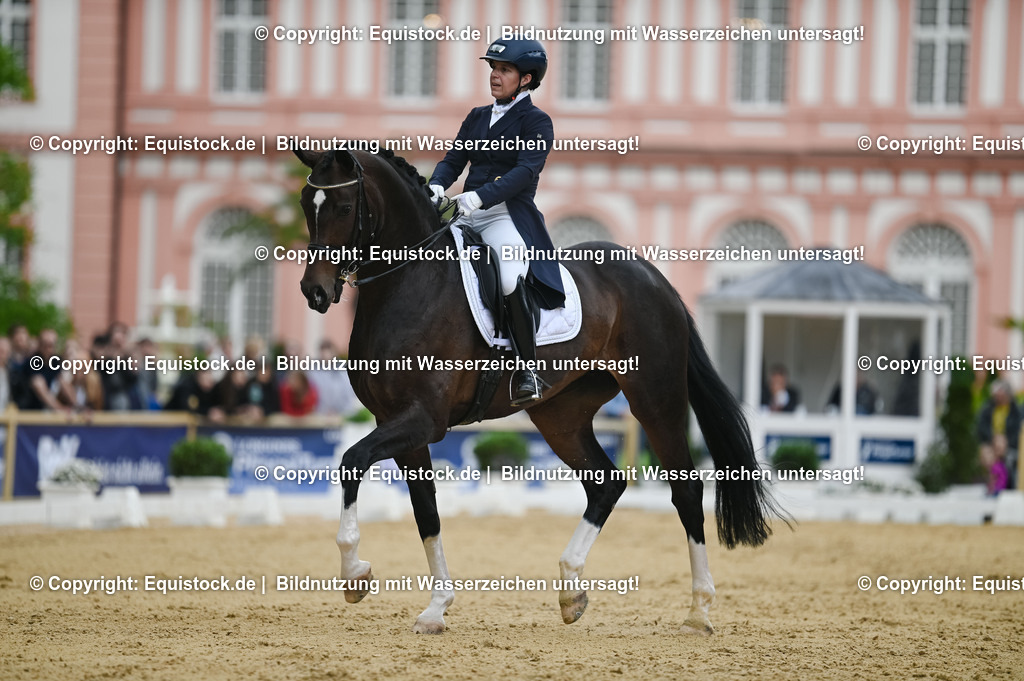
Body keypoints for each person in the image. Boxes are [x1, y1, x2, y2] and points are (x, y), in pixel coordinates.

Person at [428, 38, 564, 406]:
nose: (494, 75)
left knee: (507, 274)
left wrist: (479, 196)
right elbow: (453, 159)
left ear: (526, 79)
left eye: (504, 69)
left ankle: (527, 369)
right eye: (493, 68)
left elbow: (525, 171)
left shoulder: (536, 121)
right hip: (465, 213)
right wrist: (436, 185)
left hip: (506, 214)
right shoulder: (476, 116)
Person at [976, 380, 1021, 493]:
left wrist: (1005, 441)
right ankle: (994, 484)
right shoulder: (987, 410)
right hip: (991, 443)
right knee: (987, 454)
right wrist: (993, 438)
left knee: (1001, 445)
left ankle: (1001, 483)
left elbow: (1018, 432)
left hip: (1008, 444)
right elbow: (981, 428)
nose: (998, 398)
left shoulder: (1016, 412)